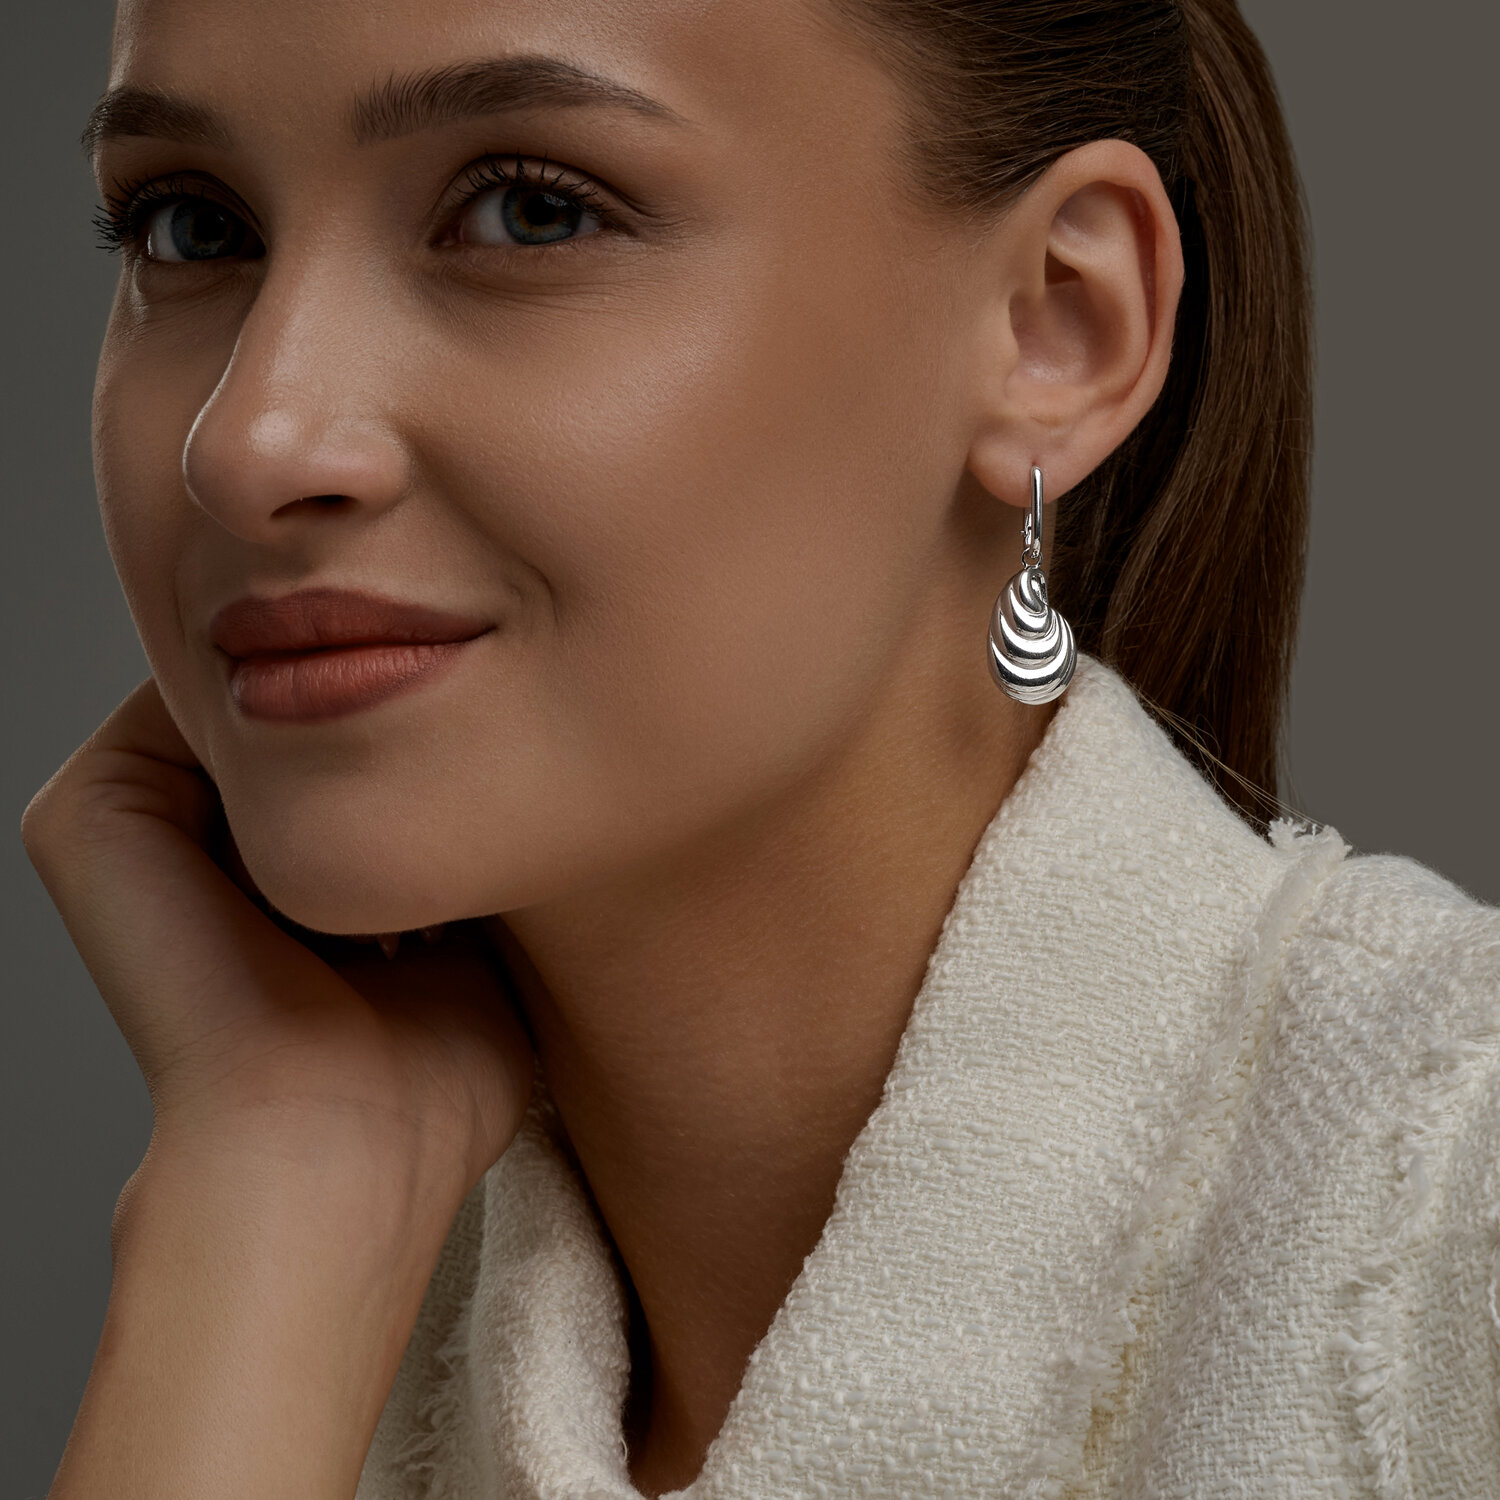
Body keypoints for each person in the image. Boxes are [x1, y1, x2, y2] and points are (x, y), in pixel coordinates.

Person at [23, 0, 1498, 1495]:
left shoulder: (1458, 1216)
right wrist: (281, 1191)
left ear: (1057, 324)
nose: (250, 442)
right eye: (191, 229)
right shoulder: (297, 1312)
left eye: (531, 210)